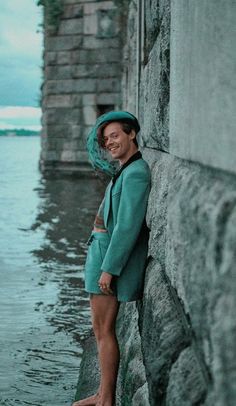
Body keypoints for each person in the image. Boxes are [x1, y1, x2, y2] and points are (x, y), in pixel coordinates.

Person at [72, 111, 151, 406]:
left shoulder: (136, 173)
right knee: (99, 329)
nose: (110, 143)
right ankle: (102, 394)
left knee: (103, 330)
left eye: (115, 135)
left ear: (131, 133)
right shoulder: (125, 170)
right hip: (100, 252)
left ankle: (105, 399)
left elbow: (128, 226)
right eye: (106, 140)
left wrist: (109, 269)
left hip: (106, 258)